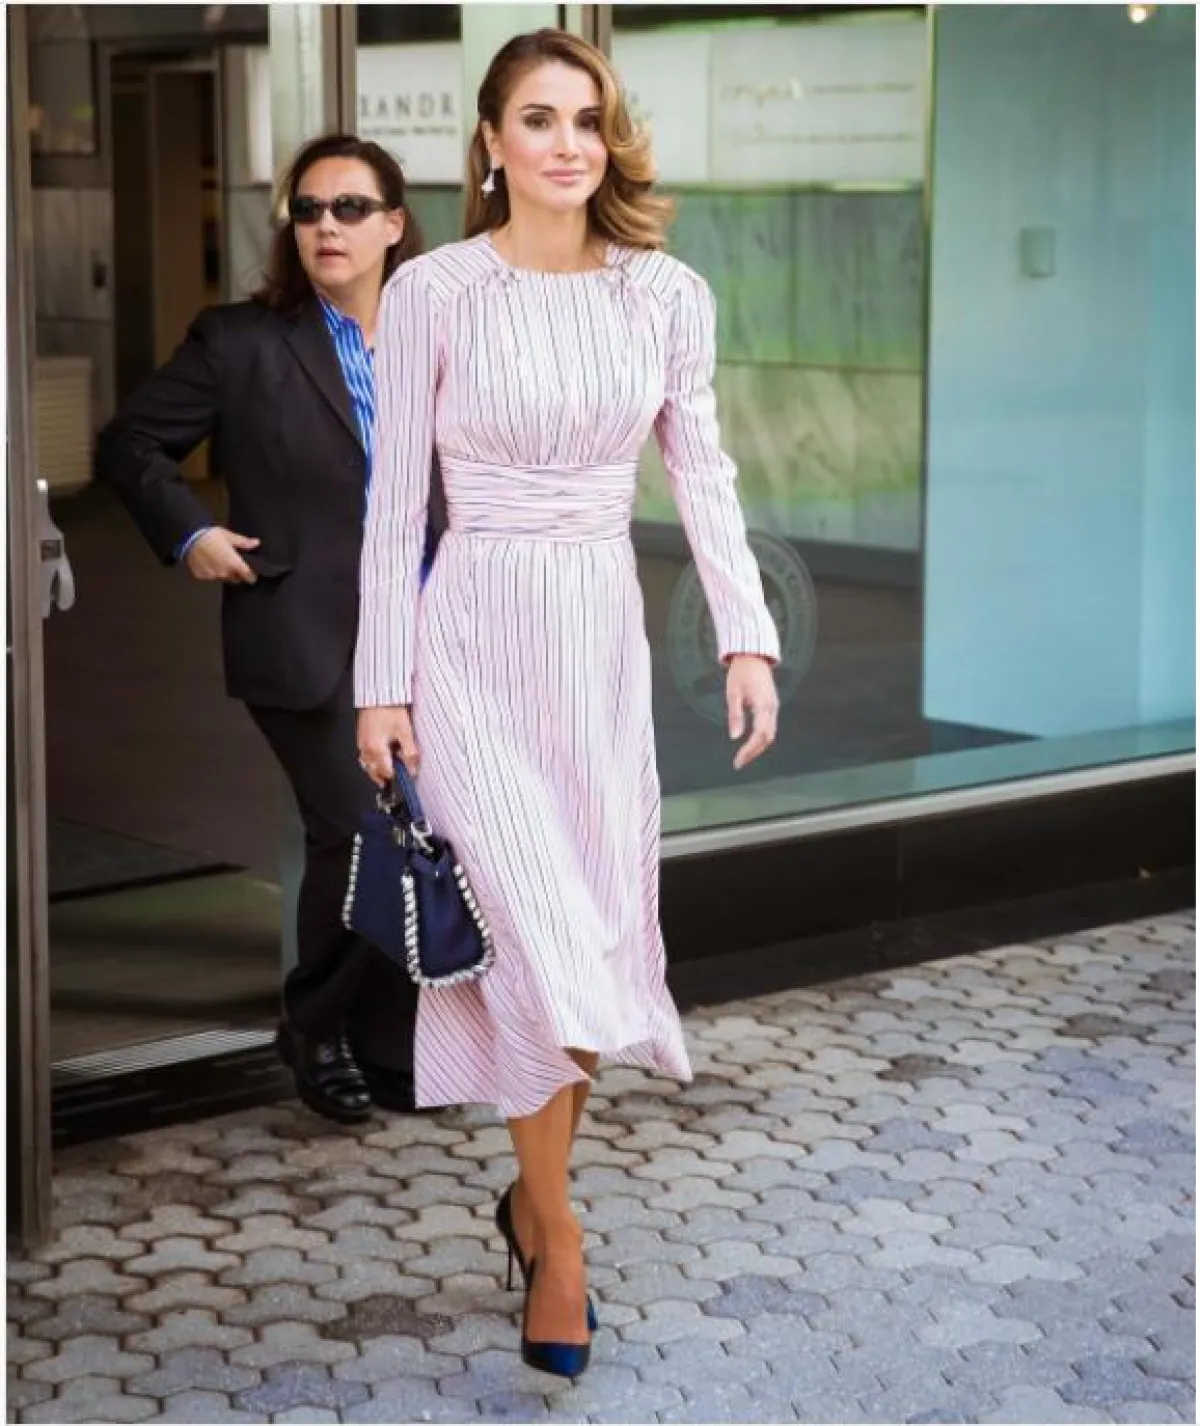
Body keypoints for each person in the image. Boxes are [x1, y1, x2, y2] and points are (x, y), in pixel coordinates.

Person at [355, 29, 780, 1379]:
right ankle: (560, 1238)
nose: (566, 143)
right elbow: (393, 509)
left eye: (586, 119)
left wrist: (746, 637)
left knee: (588, 943)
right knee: (533, 934)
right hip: (469, 642)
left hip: (597, 642)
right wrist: (379, 685)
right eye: (537, 118)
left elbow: (703, 473)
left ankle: (534, 1203)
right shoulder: (432, 289)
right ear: (490, 142)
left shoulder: (665, 294)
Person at [95, 133, 433, 1125]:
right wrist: (189, 530)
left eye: (351, 208)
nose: (327, 226)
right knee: (359, 828)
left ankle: (389, 1043)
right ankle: (315, 1025)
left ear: (394, 225)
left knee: (421, 830)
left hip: (430, 629)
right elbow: (130, 442)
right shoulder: (240, 340)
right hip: (304, 632)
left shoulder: (438, 333)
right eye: (309, 209)